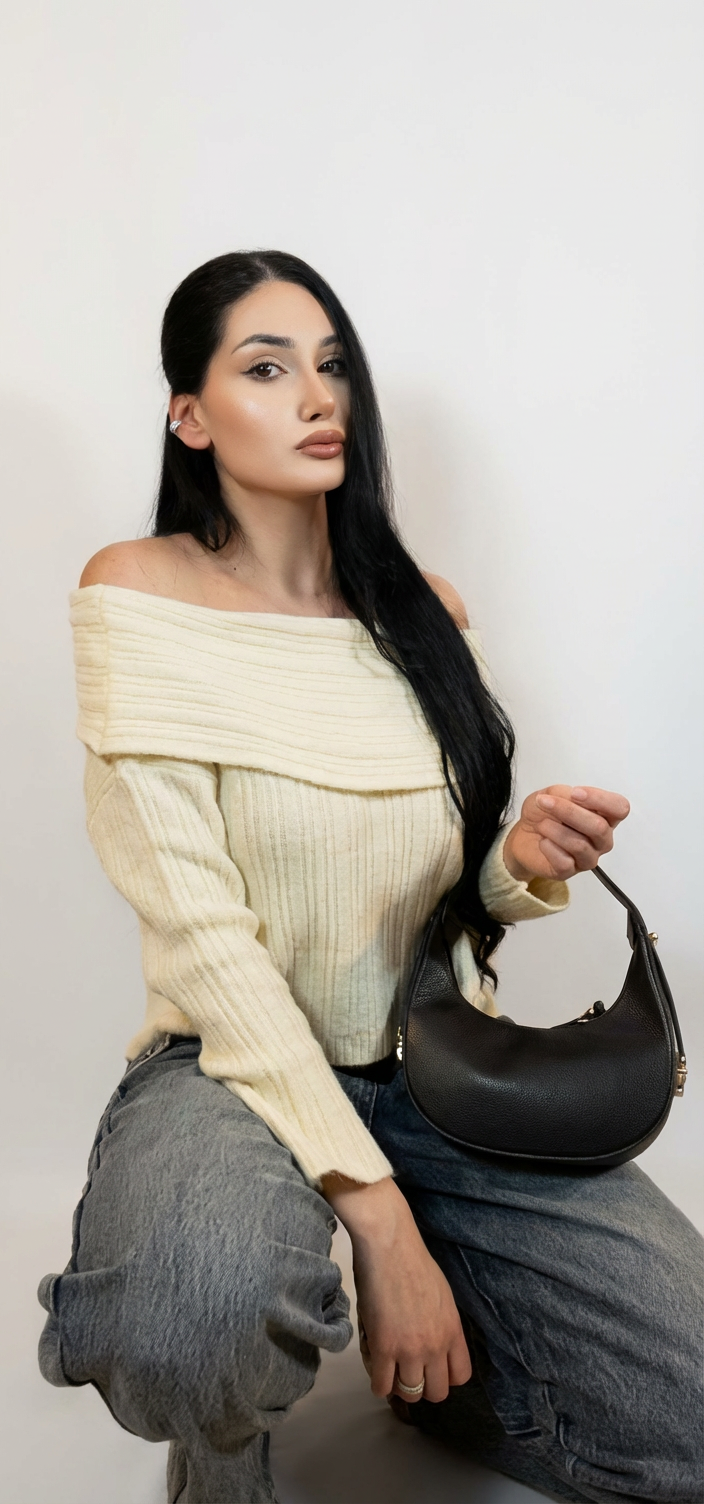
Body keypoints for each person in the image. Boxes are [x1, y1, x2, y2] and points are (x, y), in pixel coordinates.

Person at [38, 251, 702, 1504]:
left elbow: (433, 908)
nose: (316, 395)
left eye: (332, 364)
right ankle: (221, 1447)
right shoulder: (137, 590)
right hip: (229, 1066)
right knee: (186, 1322)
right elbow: (205, 940)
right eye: (265, 367)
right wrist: (380, 1222)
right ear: (189, 415)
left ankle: (450, 1379)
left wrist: (513, 863)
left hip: (436, 1063)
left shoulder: (423, 611)